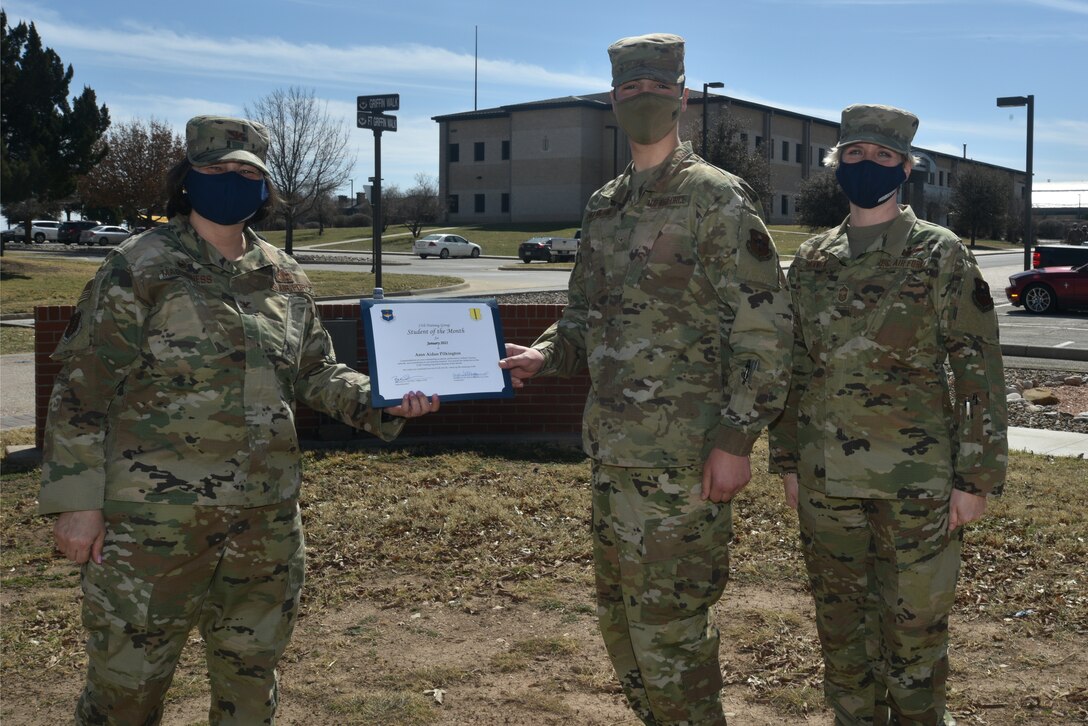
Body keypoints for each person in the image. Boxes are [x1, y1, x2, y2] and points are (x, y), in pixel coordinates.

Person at [39, 115, 439, 725]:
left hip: (265, 521)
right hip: (153, 526)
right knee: (126, 690)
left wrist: (382, 398)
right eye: (215, 169)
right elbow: (83, 389)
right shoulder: (139, 266)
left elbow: (315, 373)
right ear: (187, 178)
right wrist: (77, 503)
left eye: (246, 172)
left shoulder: (285, 275)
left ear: (264, 185)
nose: (232, 180)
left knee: (250, 686)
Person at [499, 33, 793, 725]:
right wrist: (545, 354)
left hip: (684, 462)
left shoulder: (716, 198)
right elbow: (583, 320)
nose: (642, 100)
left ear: (681, 99)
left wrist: (736, 438)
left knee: (672, 635)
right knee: (622, 628)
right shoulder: (604, 204)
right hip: (612, 457)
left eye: (656, 89)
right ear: (612, 100)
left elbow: (765, 329)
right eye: (629, 90)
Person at [769, 104, 1008, 725]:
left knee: (915, 638)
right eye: (854, 154)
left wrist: (976, 478)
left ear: (905, 167)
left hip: (917, 485)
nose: (866, 165)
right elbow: (795, 365)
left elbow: (977, 368)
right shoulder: (815, 257)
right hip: (826, 484)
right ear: (837, 163)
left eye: (881, 156)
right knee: (842, 634)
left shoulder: (939, 253)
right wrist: (789, 459)